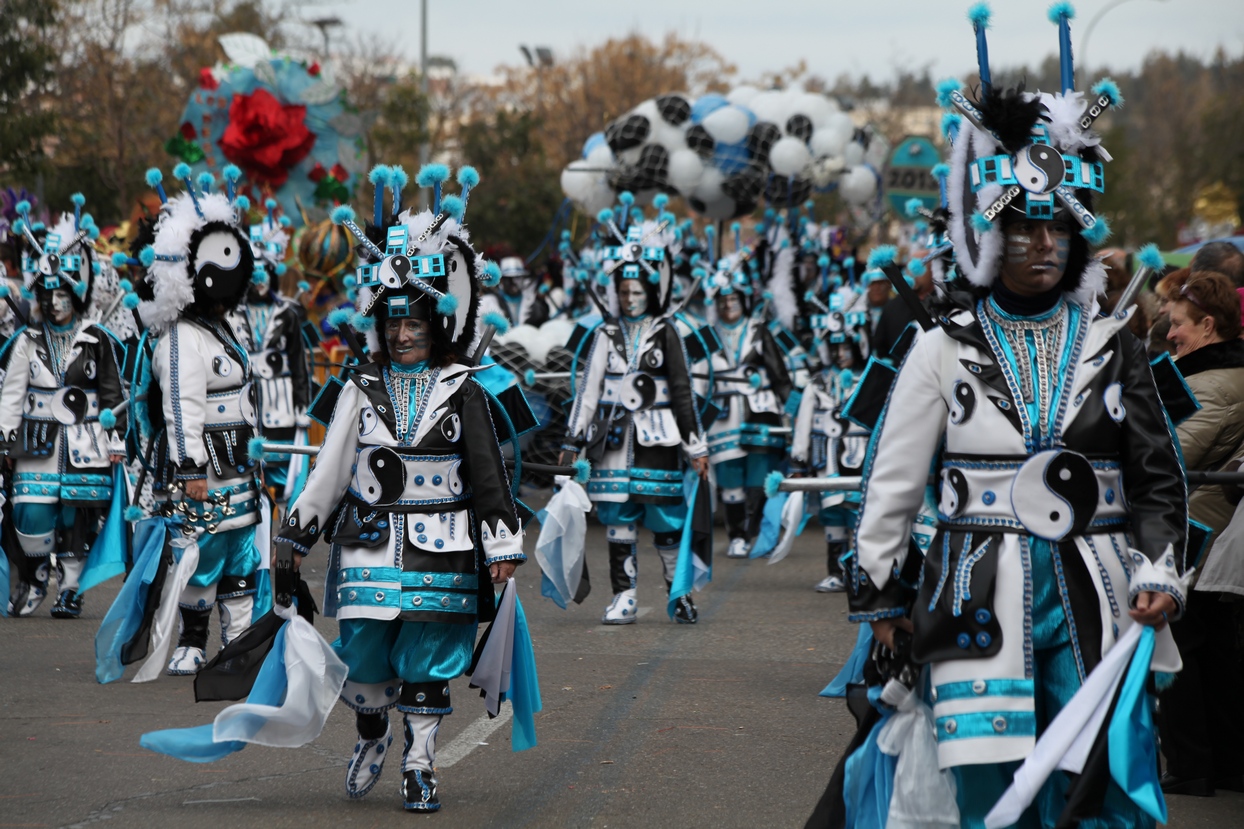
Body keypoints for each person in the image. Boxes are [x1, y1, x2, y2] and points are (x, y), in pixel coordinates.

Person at [844, 31, 1188, 826]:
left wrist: (1161, 566)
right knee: (986, 784)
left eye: (1057, 231)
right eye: (1025, 229)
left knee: (1095, 780)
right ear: (990, 239)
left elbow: (1157, 477)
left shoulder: (1116, 344)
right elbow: (892, 479)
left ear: (1078, 242)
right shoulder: (941, 346)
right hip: (974, 588)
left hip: (1097, 590)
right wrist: (883, 591)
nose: (1042, 246)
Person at [275, 165, 525, 812]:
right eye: (392, 322)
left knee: (430, 654)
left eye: (414, 321)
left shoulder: (462, 387)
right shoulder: (359, 387)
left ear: (436, 322)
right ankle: (370, 728)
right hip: (366, 542)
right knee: (360, 652)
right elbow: (329, 470)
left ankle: (420, 763)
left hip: (443, 542)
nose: (403, 333)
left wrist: (500, 543)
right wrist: (295, 536)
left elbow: (488, 474)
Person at [136, 166, 265, 674]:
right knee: (202, 552)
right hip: (203, 470)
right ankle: (192, 642)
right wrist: (187, 468)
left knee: (240, 552)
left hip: (238, 464)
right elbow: (179, 407)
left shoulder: (223, 328)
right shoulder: (180, 337)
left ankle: (236, 640)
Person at [561, 219, 709, 625]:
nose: (630, 299)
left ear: (653, 292)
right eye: (624, 291)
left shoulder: (667, 332)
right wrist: (571, 442)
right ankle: (624, 596)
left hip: (658, 445)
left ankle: (679, 595)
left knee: (664, 521)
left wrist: (696, 447)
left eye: (638, 291)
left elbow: (682, 393)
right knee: (617, 520)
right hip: (611, 443)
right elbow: (587, 393)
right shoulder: (603, 334)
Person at [2, 200, 127, 617]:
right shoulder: (25, 340)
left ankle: (71, 588)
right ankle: (36, 575)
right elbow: (11, 394)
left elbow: (112, 392)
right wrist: (3, 435)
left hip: (85, 441)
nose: (55, 304)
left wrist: (116, 436)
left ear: (76, 295)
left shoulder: (96, 338)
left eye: (63, 295)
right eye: (47, 295)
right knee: (31, 514)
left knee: (78, 517)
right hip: (36, 439)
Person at [1152, 269, 1244, 796]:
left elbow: (1169, 457)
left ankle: (1191, 764)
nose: (1170, 334)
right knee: (1212, 654)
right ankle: (1224, 762)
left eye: (1179, 324)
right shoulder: (1211, 377)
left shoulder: (1213, 385)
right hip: (1205, 531)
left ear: (1208, 326)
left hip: (1196, 536)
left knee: (1183, 650)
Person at [702, 258, 793, 558]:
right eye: (723, 300)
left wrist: (792, 410)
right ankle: (737, 535)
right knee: (729, 479)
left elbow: (779, 373)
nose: (729, 305)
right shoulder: (706, 335)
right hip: (722, 416)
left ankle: (756, 532)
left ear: (743, 299)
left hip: (760, 412)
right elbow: (695, 379)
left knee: (758, 477)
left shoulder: (758, 329)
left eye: (734, 299)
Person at [229, 205, 311, 508]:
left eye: (266, 269)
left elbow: (299, 364)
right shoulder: (233, 313)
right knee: (251, 478)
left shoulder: (286, 313)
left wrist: (303, 405)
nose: (261, 278)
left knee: (286, 476)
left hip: (282, 403)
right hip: (246, 404)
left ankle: (286, 541)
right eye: (255, 270)